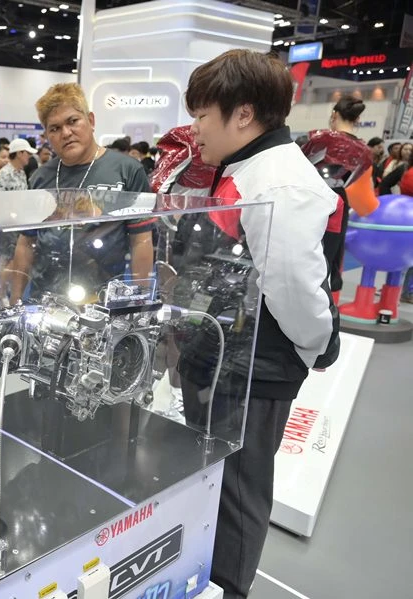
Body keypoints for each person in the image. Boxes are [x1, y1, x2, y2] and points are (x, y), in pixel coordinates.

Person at [182, 49, 339, 598]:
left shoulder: (280, 182)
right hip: (227, 354)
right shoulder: (251, 170)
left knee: (238, 489)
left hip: (256, 367)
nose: (195, 128)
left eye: (203, 114)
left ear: (243, 114)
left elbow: (293, 285)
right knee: (214, 479)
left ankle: (228, 589)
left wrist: (315, 344)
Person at [3, 83, 154, 304]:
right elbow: (26, 242)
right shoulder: (40, 177)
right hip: (45, 299)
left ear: (90, 121)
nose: (66, 133)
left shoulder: (127, 170)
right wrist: (16, 301)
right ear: (47, 135)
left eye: (73, 121)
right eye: (54, 128)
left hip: (103, 298)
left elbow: (141, 240)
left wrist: (141, 301)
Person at [300, 95, 378, 301]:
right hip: (338, 200)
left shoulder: (319, 137)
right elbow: (354, 179)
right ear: (357, 119)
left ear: (334, 114)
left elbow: (298, 165)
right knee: (329, 253)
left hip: (309, 198)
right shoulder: (365, 151)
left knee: (299, 246)